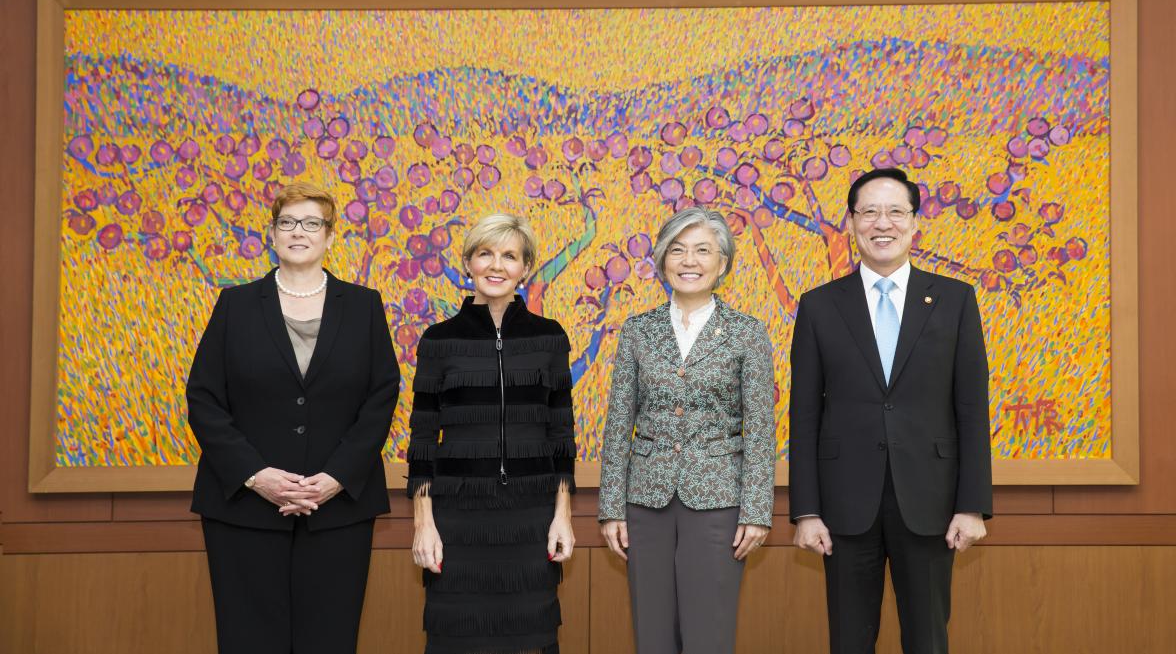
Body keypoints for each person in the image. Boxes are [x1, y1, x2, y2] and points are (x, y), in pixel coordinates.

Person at [187, 181, 399, 654]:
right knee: (248, 640)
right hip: (244, 509)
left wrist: (336, 478)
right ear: (274, 233)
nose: (297, 232)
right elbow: (203, 398)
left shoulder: (364, 305)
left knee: (330, 639)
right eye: (287, 222)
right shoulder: (235, 304)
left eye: (310, 223)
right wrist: (255, 476)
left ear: (329, 235)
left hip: (338, 509)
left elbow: (382, 397)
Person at [789, 167, 992, 653]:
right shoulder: (819, 306)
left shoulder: (955, 300)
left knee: (927, 639)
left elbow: (971, 408)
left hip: (930, 502)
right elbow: (804, 416)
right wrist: (806, 512)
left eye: (896, 211)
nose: (884, 223)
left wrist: (972, 505)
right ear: (852, 222)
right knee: (849, 640)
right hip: (843, 507)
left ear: (915, 222)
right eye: (870, 212)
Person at [598, 207, 776, 654]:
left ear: (722, 263)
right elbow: (619, 424)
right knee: (652, 633)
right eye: (677, 250)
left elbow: (759, 427)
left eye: (702, 250)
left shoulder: (746, 333)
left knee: (708, 633)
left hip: (719, 501)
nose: (689, 260)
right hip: (646, 501)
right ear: (661, 261)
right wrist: (610, 508)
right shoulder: (638, 331)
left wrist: (756, 511)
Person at [407, 213, 577, 654]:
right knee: (456, 637)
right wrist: (424, 524)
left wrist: (563, 515)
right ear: (469, 263)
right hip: (457, 518)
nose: (496, 266)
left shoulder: (549, 337)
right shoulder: (438, 340)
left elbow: (561, 434)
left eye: (509, 256)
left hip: (530, 516)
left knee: (530, 639)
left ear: (526, 267)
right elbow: (423, 438)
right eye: (485, 254)